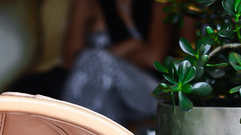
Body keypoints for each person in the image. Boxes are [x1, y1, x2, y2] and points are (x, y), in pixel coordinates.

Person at [61, 0, 173, 128]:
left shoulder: (158, 3)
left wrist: (106, 58)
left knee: (96, 60)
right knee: (96, 63)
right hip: (105, 96)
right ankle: (84, 134)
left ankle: (71, 130)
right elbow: (71, 62)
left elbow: (153, 59)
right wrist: (131, 45)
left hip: (150, 93)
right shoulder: (87, 3)